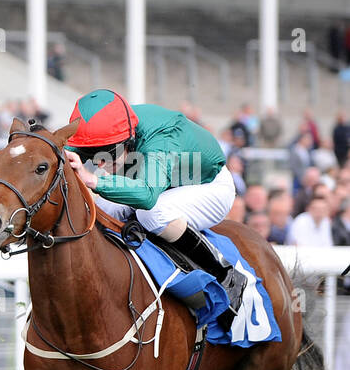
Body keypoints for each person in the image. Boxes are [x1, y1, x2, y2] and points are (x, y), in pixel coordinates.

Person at [63, 89, 247, 327]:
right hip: (161, 180)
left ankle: (224, 274)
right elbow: (65, 149)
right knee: (103, 210)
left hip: (209, 186)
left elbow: (148, 196)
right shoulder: (109, 129)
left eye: (106, 154)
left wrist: (92, 180)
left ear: (126, 141)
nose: (98, 162)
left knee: (151, 213)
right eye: (92, 154)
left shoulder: (159, 139)